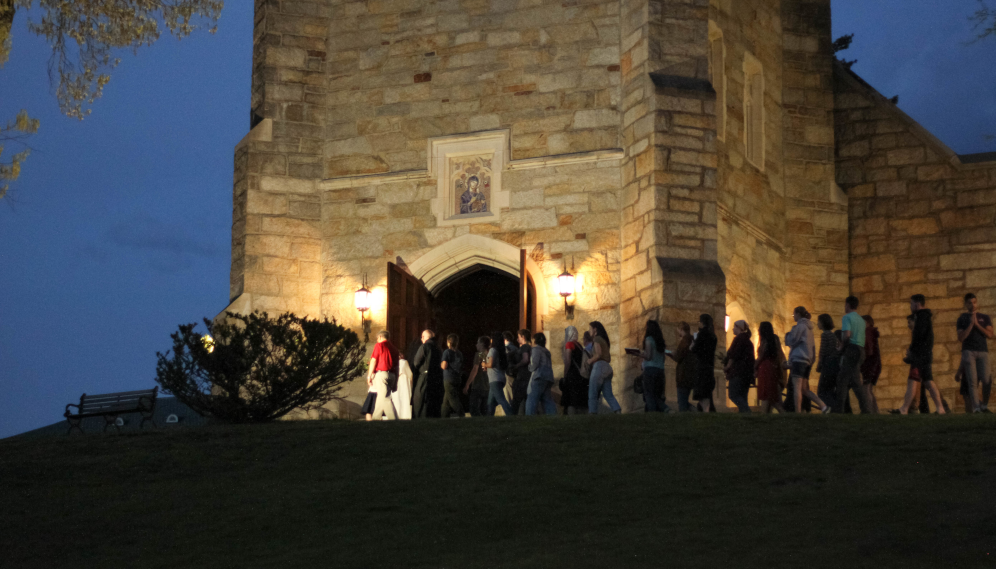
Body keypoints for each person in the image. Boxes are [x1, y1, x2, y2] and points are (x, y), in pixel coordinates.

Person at [893, 295, 946, 414]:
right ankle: (906, 408)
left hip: (920, 356)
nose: (910, 307)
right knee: (921, 380)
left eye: (911, 304)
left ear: (917, 304)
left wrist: (912, 350)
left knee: (920, 380)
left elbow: (918, 337)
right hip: (923, 355)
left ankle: (906, 409)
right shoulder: (925, 317)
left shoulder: (922, 318)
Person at [785, 307, 830, 414]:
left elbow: (792, 340)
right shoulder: (809, 329)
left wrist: (787, 335)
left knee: (797, 387)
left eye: (793, 314)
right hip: (807, 361)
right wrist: (812, 360)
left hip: (799, 360)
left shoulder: (800, 326)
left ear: (798, 314)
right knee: (804, 389)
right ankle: (823, 406)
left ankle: (798, 412)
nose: (793, 317)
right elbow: (812, 346)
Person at [957, 292, 994, 413]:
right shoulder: (962, 318)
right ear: (965, 304)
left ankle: (984, 405)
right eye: (969, 303)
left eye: (974, 302)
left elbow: (990, 334)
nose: (972, 305)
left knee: (987, 379)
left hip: (982, 351)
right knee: (972, 381)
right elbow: (961, 338)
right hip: (969, 352)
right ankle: (977, 408)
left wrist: (977, 325)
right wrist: (971, 325)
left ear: (976, 302)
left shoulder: (984, 317)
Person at [838, 296, 873, 413]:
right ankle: (866, 410)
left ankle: (839, 410)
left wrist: (841, 348)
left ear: (847, 304)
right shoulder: (861, 321)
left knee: (842, 380)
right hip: (860, 350)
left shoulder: (847, 317)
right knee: (856, 382)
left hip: (851, 350)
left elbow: (847, 335)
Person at [587, 321, 621, 414]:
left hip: (599, 366)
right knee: (608, 394)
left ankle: (592, 413)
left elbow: (598, 354)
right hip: (607, 368)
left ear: (595, 329)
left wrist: (590, 360)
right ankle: (617, 411)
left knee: (592, 392)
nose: (589, 331)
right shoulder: (604, 340)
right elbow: (608, 358)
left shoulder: (597, 339)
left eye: (590, 329)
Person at [637, 320, 669, 413]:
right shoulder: (660, 341)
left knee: (649, 394)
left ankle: (653, 414)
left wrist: (639, 354)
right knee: (658, 395)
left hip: (650, 369)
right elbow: (663, 358)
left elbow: (648, 356)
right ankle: (665, 410)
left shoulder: (649, 339)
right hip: (660, 370)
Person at [755, 322, 787, 414]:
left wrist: (755, 366)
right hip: (772, 367)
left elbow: (761, 356)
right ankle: (770, 412)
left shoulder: (765, 341)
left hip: (765, 367)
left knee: (766, 393)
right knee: (770, 393)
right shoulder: (774, 339)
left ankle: (764, 413)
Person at [367, 330, 399, 420]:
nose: (377, 340)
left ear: (380, 337)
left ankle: (394, 419)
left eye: (377, 338)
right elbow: (397, 366)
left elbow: (373, 360)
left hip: (382, 374)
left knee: (385, 398)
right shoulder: (394, 348)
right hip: (392, 375)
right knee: (382, 397)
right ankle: (376, 418)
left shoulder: (379, 345)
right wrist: (396, 380)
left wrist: (370, 375)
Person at [724, 320, 754, 413]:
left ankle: (747, 412)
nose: (733, 328)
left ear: (739, 328)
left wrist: (727, 366)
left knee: (733, 395)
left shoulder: (739, 339)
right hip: (747, 374)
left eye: (734, 327)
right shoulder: (748, 341)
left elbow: (733, 355)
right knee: (743, 396)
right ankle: (745, 419)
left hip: (738, 372)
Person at [411, 330, 443, 419]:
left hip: (425, 377)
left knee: (420, 399)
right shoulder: (438, 348)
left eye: (422, 337)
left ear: (425, 337)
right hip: (437, 378)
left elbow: (416, 362)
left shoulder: (425, 346)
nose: (421, 339)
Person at [691, 314, 718, 412]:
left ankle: (706, 412)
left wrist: (693, 344)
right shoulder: (713, 335)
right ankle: (707, 411)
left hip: (702, 367)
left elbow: (695, 349)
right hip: (709, 367)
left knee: (702, 394)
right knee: (707, 393)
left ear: (702, 322)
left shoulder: (702, 334)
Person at [527, 332, 558, 415]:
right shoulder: (547, 351)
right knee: (547, 399)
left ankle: (529, 417)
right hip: (548, 377)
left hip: (539, 377)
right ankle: (553, 416)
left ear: (535, 340)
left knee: (532, 398)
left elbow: (535, 364)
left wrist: (529, 367)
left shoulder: (536, 349)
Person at [482, 335, 513, 416]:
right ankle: (489, 419)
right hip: (500, 378)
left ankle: (511, 415)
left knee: (501, 399)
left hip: (494, 379)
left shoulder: (492, 350)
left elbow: (491, 364)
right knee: (490, 402)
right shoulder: (501, 351)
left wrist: (484, 364)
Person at [815, 314, 841, 411]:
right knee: (830, 390)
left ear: (823, 323)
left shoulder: (825, 334)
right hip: (834, 364)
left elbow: (823, 351)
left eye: (819, 321)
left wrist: (819, 365)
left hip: (827, 364)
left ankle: (830, 409)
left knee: (822, 391)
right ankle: (835, 409)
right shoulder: (833, 335)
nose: (817, 324)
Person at [668, 322, 695, 412]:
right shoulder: (692, 340)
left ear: (681, 329)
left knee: (682, 402)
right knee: (683, 400)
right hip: (690, 374)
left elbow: (679, 357)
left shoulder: (685, 340)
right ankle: (694, 411)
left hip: (683, 375)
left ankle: (693, 412)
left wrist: (670, 354)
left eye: (678, 330)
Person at [561, 326, 588, 415]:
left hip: (572, 375)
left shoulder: (569, 344)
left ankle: (570, 419)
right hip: (580, 375)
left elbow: (568, 361)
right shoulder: (579, 345)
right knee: (578, 400)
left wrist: (565, 374)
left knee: (570, 400)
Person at [861, 315, 882, 414]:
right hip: (874, 364)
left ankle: (869, 411)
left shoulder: (868, 331)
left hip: (870, 364)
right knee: (869, 389)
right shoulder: (872, 332)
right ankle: (875, 411)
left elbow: (868, 348)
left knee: (866, 388)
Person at [440, 334, 464, 418]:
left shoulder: (447, 352)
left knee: (453, 399)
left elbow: (444, 366)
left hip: (448, 378)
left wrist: (441, 364)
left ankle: (462, 415)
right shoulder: (459, 353)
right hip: (457, 378)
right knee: (446, 401)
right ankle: (444, 417)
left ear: (448, 342)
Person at [463, 343, 489, 416]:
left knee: (474, 409)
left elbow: (475, 369)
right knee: (484, 410)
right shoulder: (490, 354)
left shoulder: (479, 354)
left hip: (478, 385)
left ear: (482, 344)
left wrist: (467, 384)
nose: (476, 344)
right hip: (487, 386)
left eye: (478, 342)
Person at [391, 351, 414, 419]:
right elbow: (410, 375)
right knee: (405, 400)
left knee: (397, 400)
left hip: (396, 384)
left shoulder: (393, 364)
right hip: (404, 384)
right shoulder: (404, 362)